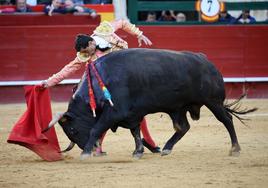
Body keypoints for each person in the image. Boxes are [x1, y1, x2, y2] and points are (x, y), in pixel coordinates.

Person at [39, 19, 161, 155]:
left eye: (87, 50)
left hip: (128, 80)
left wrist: (138, 34)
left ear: (91, 42)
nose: (88, 54)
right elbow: (68, 69)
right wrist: (49, 82)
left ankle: (145, 140)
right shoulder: (85, 54)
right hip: (108, 86)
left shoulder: (104, 31)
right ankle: (99, 147)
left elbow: (122, 22)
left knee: (136, 109)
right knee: (105, 113)